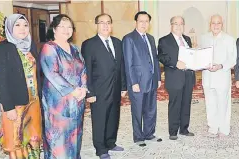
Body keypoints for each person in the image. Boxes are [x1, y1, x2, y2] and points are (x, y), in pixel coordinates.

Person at [0, 14, 42, 159]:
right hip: (16, 103)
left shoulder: (30, 46)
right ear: (9, 28)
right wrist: (8, 107)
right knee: (16, 140)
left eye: (25, 25)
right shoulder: (3, 48)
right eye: (17, 25)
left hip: (33, 101)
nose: (22, 29)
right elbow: (1, 80)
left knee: (33, 137)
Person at [40, 14, 88, 158]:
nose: (66, 30)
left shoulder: (75, 48)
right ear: (54, 29)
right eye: (62, 26)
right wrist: (72, 90)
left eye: (69, 27)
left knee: (75, 134)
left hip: (77, 100)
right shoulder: (49, 48)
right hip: (58, 103)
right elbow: (52, 73)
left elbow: (83, 69)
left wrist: (84, 88)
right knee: (59, 139)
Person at [81, 13, 127, 159]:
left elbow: (122, 66)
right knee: (100, 119)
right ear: (96, 25)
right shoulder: (89, 44)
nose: (105, 25)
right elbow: (86, 69)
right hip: (98, 90)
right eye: (102, 22)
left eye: (108, 22)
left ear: (111, 25)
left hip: (116, 88)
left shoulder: (118, 42)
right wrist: (89, 92)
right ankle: (100, 149)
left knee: (114, 116)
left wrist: (123, 86)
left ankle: (111, 142)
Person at [122, 11, 162, 147]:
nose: (144, 24)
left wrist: (158, 77)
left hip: (151, 80)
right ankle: (139, 137)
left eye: (146, 21)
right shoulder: (129, 38)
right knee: (137, 110)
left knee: (151, 109)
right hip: (137, 82)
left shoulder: (150, 38)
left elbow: (154, 60)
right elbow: (128, 63)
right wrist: (133, 82)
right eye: (141, 21)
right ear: (136, 22)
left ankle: (149, 133)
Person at [158, 16, 195, 140]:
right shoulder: (164, 40)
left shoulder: (187, 39)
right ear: (171, 25)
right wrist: (175, 63)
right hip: (174, 78)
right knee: (175, 105)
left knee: (186, 103)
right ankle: (173, 131)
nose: (179, 26)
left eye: (181, 24)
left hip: (188, 77)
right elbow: (162, 57)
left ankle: (184, 129)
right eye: (176, 24)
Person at [199, 14, 237, 137]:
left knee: (223, 103)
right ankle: (213, 127)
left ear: (222, 24)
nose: (216, 25)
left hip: (222, 76)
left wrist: (220, 66)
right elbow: (199, 56)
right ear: (209, 25)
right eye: (213, 23)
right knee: (210, 103)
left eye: (218, 23)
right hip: (207, 77)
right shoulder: (203, 38)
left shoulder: (229, 39)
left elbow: (233, 59)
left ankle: (224, 128)